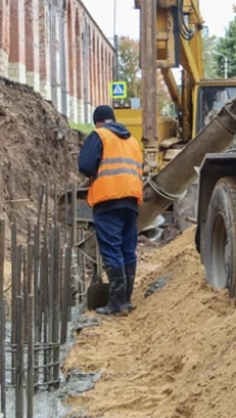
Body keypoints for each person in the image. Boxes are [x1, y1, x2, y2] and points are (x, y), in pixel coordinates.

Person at [77, 105, 143, 316]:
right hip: (132, 200)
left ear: (98, 122)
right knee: (127, 249)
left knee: (112, 249)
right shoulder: (132, 140)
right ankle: (126, 300)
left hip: (108, 200)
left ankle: (116, 304)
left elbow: (86, 165)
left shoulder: (100, 135)